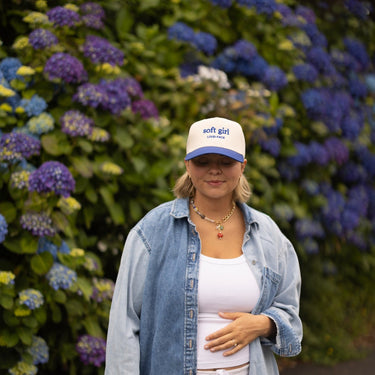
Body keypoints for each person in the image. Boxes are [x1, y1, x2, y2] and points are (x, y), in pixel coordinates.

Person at [105, 117, 302, 375]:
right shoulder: (152, 231)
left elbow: (290, 317)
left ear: (242, 166)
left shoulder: (267, 235)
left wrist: (263, 324)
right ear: (187, 164)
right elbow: (124, 325)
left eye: (226, 162)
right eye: (203, 161)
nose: (215, 170)